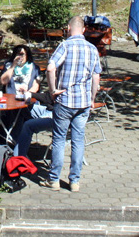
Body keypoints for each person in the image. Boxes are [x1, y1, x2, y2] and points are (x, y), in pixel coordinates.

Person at [42, 16, 102, 192]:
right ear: (83, 29)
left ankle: (54, 180)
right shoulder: (92, 49)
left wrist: (53, 90)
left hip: (65, 100)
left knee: (59, 139)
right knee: (78, 141)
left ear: (68, 28)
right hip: (83, 102)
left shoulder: (64, 46)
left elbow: (51, 67)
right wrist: (92, 98)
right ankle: (74, 181)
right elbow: (96, 76)